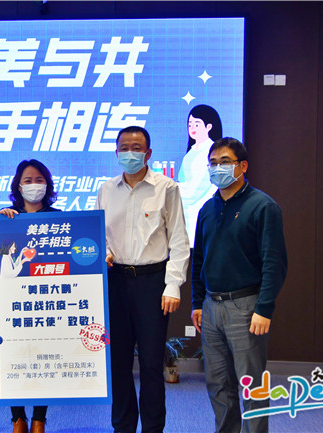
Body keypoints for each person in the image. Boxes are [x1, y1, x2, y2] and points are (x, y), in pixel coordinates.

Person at [96, 126, 190, 433]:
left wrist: (173, 284)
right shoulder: (106, 190)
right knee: (119, 363)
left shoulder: (167, 187)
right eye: (124, 147)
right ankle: (122, 427)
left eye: (136, 148)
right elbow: (99, 235)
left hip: (152, 283)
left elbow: (178, 239)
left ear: (148, 153)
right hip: (116, 282)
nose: (130, 153)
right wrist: (104, 253)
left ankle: (152, 428)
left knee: (151, 364)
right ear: (116, 152)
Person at [191, 137, 288, 433]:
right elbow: (199, 260)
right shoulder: (207, 209)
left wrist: (264, 309)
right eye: (213, 163)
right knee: (218, 385)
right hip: (211, 307)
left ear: (242, 166)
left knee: (251, 386)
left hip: (246, 307)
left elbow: (274, 263)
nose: (217, 168)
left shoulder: (262, 206)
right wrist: (197, 303)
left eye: (225, 162)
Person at [0, 159, 60, 433]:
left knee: (44, 358)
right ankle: (17, 418)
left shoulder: (59, 217)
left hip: (47, 301)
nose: (34, 185)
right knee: (14, 356)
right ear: (18, 186)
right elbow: (3, 259)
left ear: (47, 184)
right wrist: (2, 224)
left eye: (39, 179)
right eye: (28, 180)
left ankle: (39, 418)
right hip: (14, 301)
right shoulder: (8, 218)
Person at [177, 104, 222, 245]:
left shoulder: (210, 153)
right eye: (190, 124)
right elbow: (182, 181)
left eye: (197, 124)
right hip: (186, 218)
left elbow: (192, 192)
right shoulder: (190, 153)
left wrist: (169, 188)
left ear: (209, 127)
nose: (192, 128)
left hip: (202, 216)